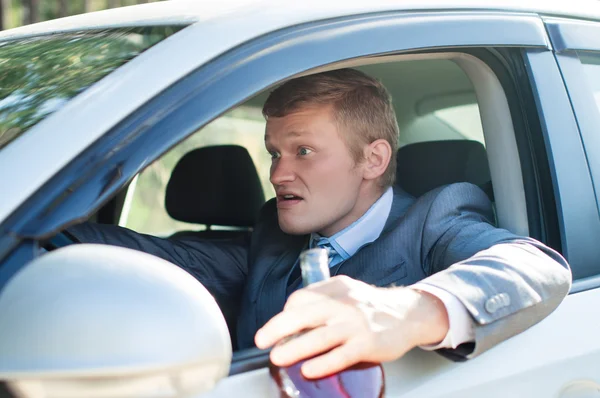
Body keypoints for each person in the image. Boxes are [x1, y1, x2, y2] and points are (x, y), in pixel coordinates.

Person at [68, 69, 571, 379]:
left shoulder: (437, 217)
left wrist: (407, 312)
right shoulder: (274, 232)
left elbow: (536, 267)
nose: (278, 173)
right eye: (275, 153)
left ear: (373, 160)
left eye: (303, 151)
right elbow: (152, 256)